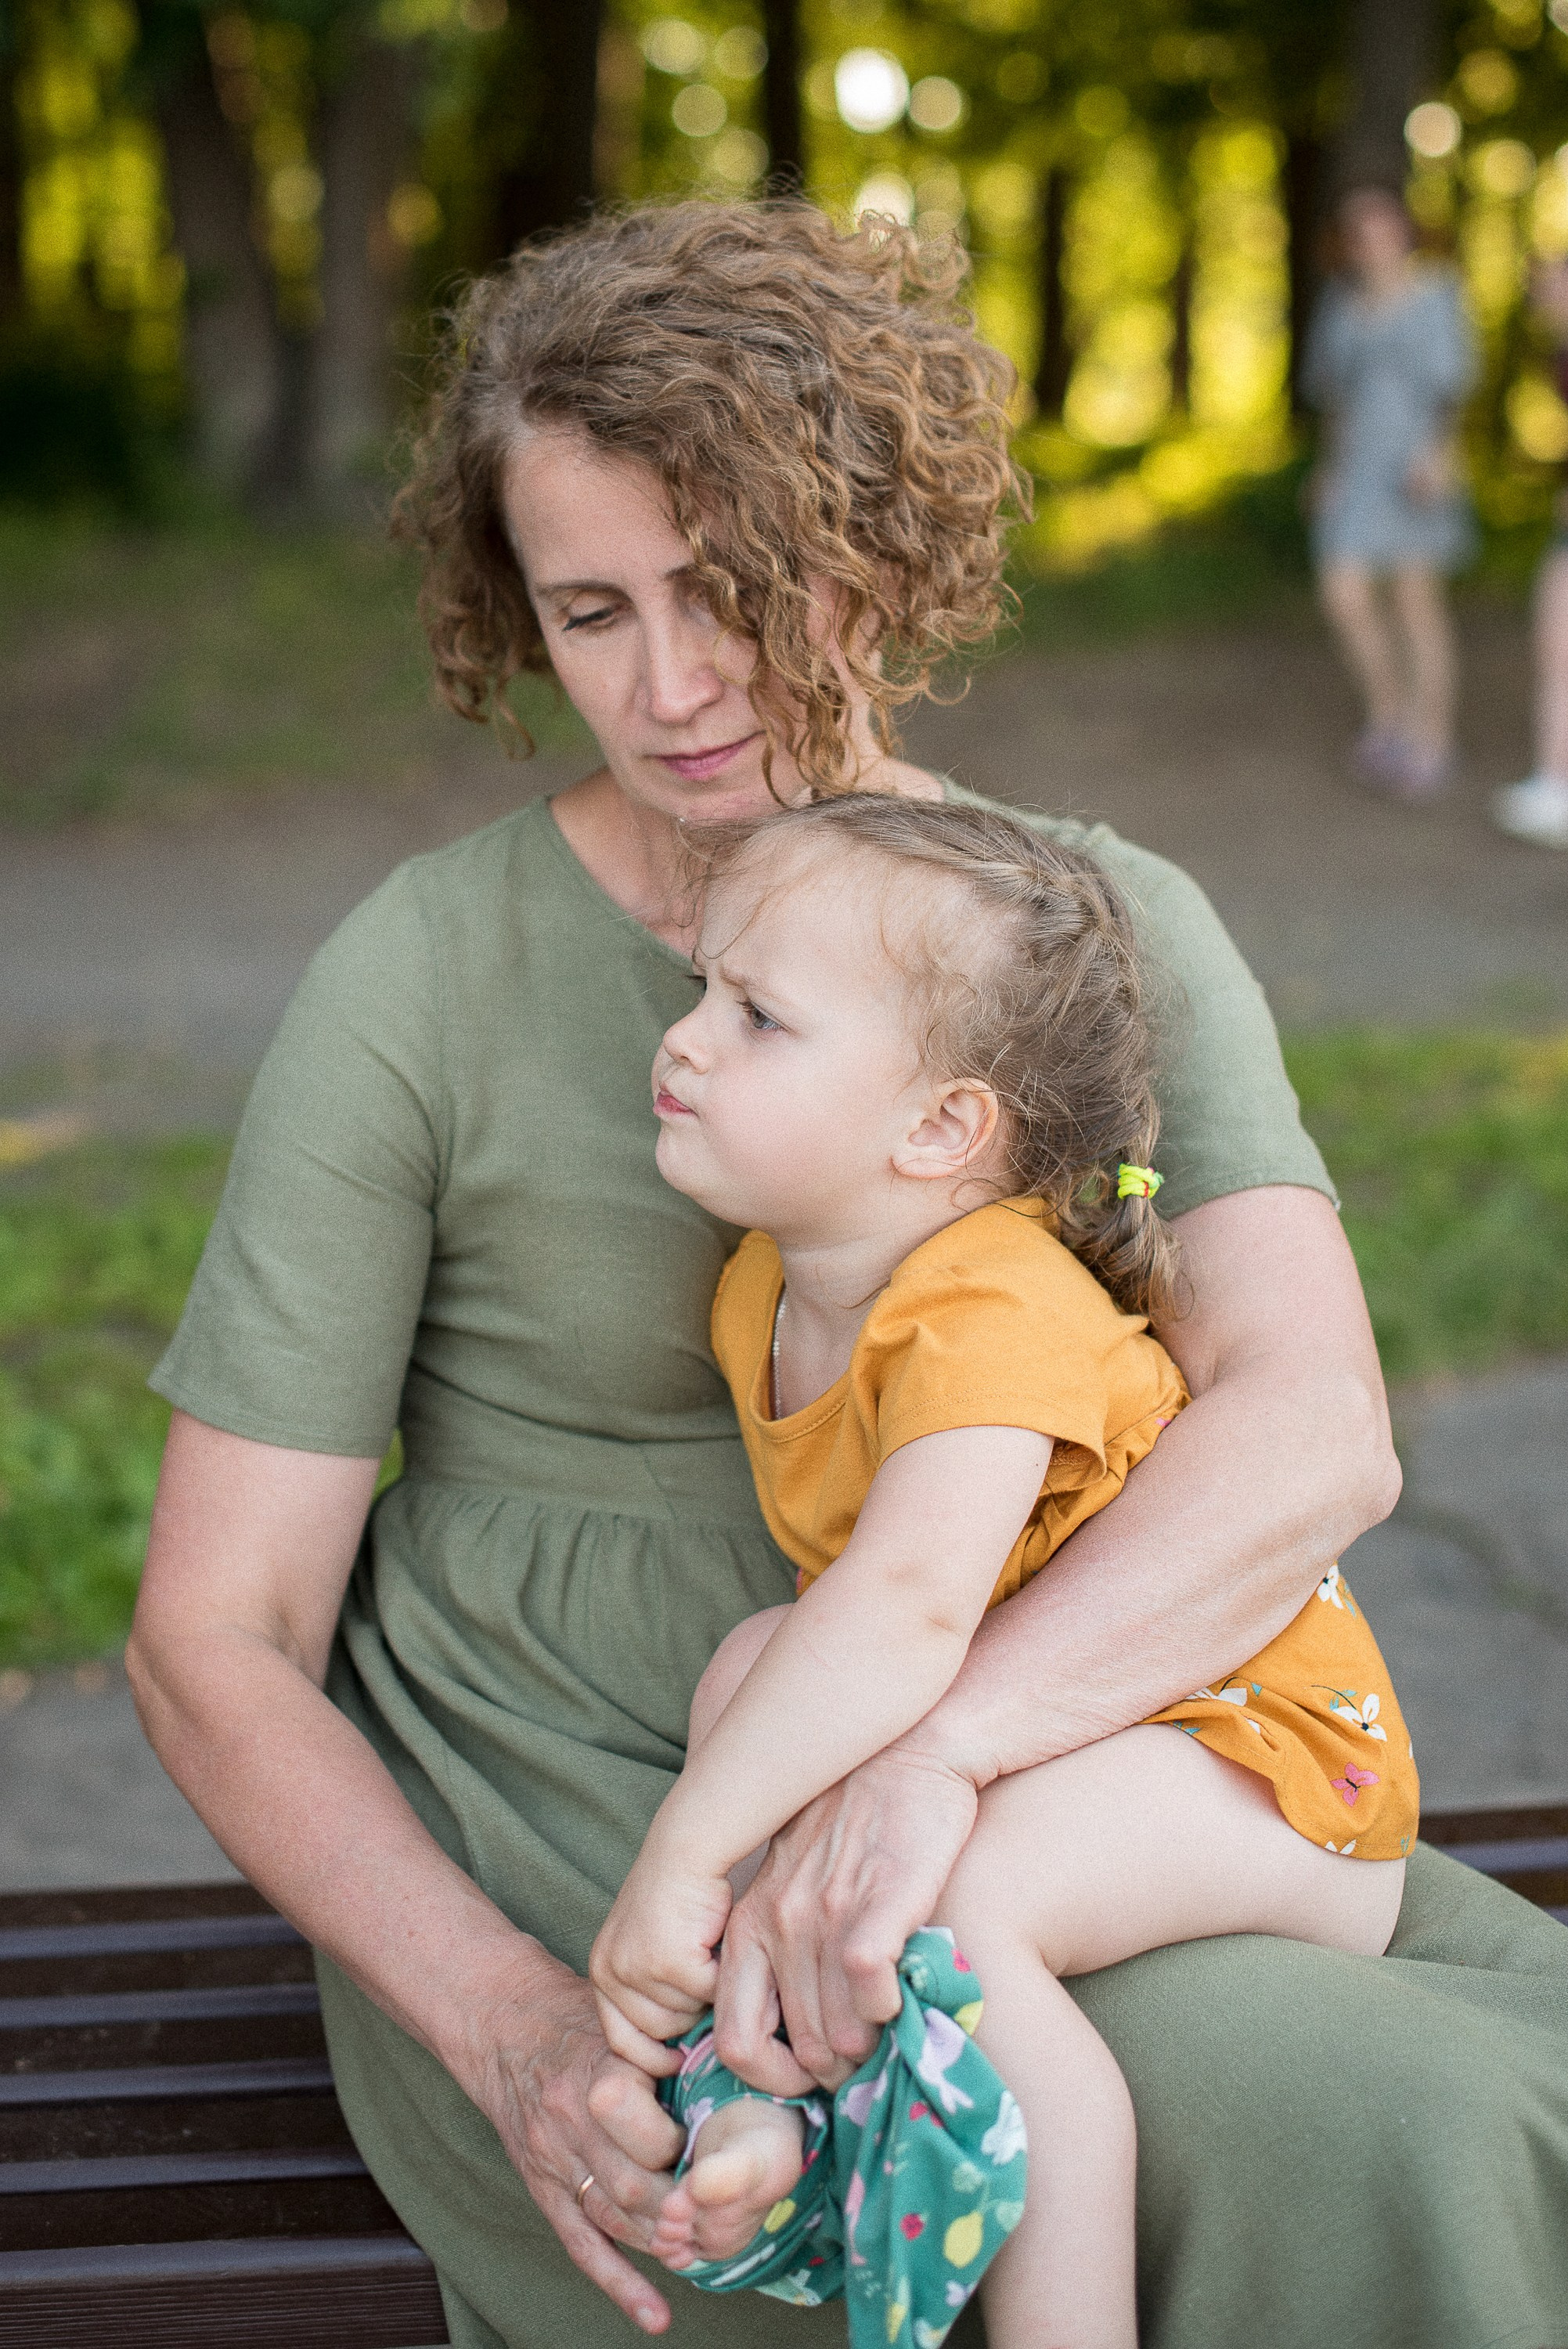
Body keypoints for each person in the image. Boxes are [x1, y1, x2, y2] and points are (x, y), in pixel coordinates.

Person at [123, 202, 1568, 2349]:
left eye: (729, 590)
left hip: (1055, 1740)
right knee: (1313, 2118)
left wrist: (944, 1764)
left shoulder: (1091, 929)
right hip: (592, 1834)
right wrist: (513, 2028)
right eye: (591, 610)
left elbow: (1309, 1427)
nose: (670, 685)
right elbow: (213, 1630)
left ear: (872, 548)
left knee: (1449, 2100)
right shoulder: (422, 976)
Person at [588, 796, 1416, 2349]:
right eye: (702, 992)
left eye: (757, 1018)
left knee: (957, 1891)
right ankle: (773, 2086)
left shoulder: (986, 1308)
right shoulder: (774, 1274)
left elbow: (903, 1612)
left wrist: (681, 1863)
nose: (688, 1041)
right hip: (1080, 1732)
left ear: (938, 1130)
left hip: (1262, 1762)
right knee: (752, 1674)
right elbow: (850, 1645)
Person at [1305, 183, 1478, 802]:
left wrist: (1436, 456)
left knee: (1414, 604)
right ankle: (1390, 713)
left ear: (1403, 232)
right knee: (1343, 593)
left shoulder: (1435, 297)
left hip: (1414, 469)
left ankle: (1431, 738)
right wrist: (1326, 469)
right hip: (1356, 468)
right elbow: (1334, 400)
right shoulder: (1340, 304)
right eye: (1360, 232)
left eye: (1382, 228)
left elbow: (1450, 395)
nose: (1372, 242)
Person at [1492, 255, 1568, 850]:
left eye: (1548, 283)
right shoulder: (1556, 358)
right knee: (1554, 645)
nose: (1538, 295)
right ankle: (1552, 781)